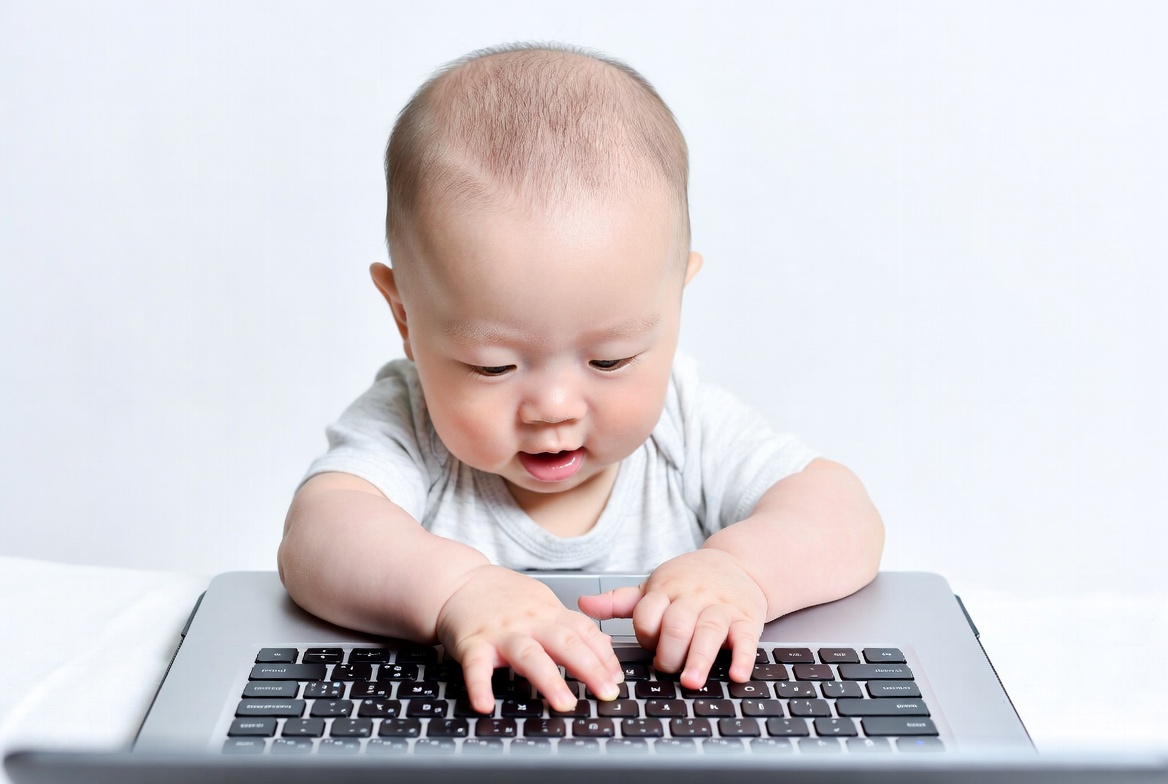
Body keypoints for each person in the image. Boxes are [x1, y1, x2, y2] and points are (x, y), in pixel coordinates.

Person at [278, 43, 884, 716]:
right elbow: (319, 535)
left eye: (610, 360)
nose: (554, 408)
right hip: (472, 730)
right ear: (404, 319)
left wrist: (742, 571)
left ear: (674, 304)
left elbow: (842, 513)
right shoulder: (409, 423)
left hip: (666, 730)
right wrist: (456, 591)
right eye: (493, 366)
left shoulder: (685, 424)